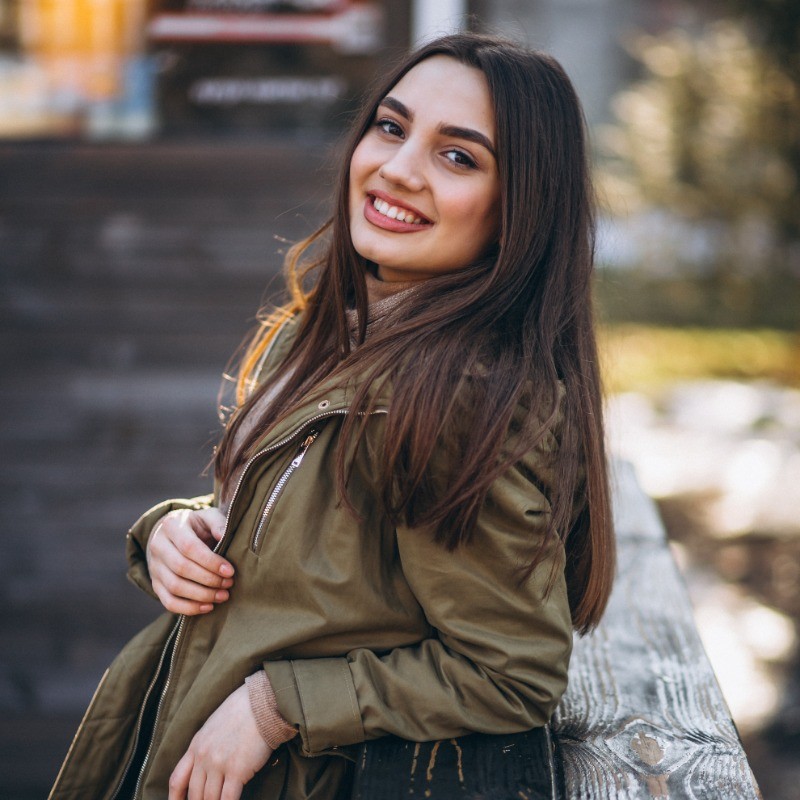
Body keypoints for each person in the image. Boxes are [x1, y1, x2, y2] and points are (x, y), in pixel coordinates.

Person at [49, 32, 615, 800]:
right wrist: (174, 532)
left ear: (521, 206)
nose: (398, 168)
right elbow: (313, 547)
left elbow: (512, 672)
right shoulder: (325, 333)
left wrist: (277, 706)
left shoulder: (462, 397)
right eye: (391, 126)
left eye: (459, 157)